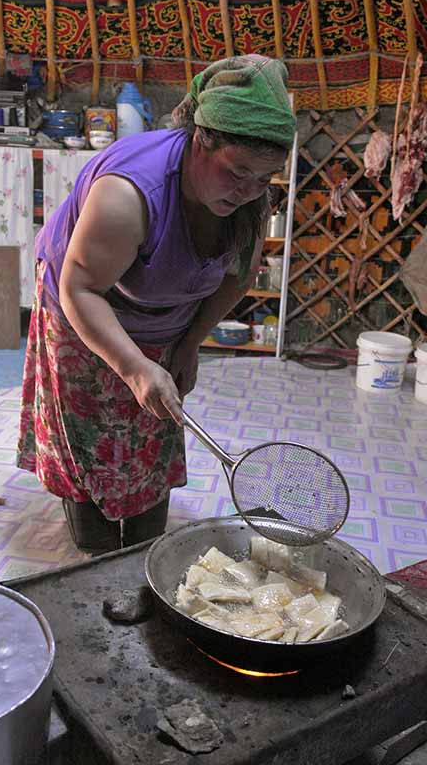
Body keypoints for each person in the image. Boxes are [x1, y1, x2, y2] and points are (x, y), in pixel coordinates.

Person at [17, 54, 296, 555]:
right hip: (82, 301)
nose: (250, 191)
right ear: (200, 140)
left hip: (160, 310)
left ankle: (144, 537)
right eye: (238, 172)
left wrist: (189, 343)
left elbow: (238, 276)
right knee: (88, 425)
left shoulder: (250, 198)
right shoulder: (127, 195)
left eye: (265, 178)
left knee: (155, 416)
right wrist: (132, 365)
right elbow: (81, 290)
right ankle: (96, 541)